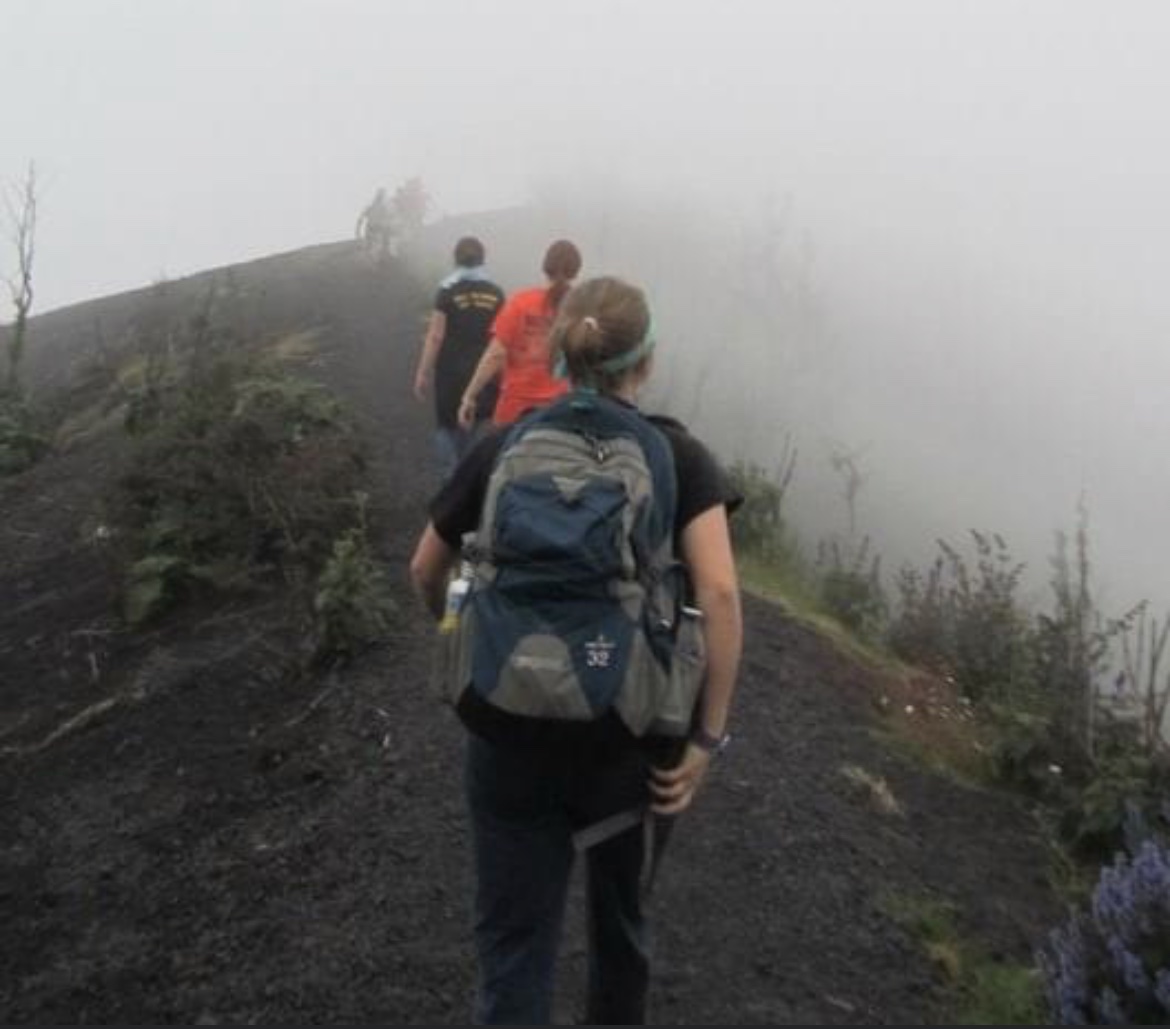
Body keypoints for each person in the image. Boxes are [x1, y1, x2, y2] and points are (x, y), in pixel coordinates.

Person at [409, 276, 743, 1025]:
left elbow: (424, 568)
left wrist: (458, 636)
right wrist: (705, 736)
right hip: (627, 740)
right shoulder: (680, 456)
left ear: (560, 351)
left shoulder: (504, 444)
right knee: (620, 933)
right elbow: (719, 597)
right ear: (646, 362)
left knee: (513, 948)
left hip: (507, 725)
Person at [456, 238, 581, 430]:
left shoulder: (520, 303)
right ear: (576, 271)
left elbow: (495, 355)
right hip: (560, 414)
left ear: (545, 267)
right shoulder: (579, 310)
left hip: (515, 412)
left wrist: (469, 396)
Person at [412, 236, 505, 480]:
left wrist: (423, 372)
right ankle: (470, 485)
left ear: (456, 259)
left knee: (447, 427)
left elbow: (435, 336)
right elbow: (502, 341)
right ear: (483, 259)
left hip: (450, 374)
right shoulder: (496, 294)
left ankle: (451, 485)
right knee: (475, 426)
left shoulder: (447, 290)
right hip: (484, 374)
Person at [355, 187, 393, 257]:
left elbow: (389, 219)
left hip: (378, 231)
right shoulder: (371, 206)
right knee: (371, 249)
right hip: (372, 230)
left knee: (376, 249)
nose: (380, 197)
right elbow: (360, 219)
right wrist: (358, 234)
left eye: (382, 195)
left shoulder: (384, 207)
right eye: (379, 195)